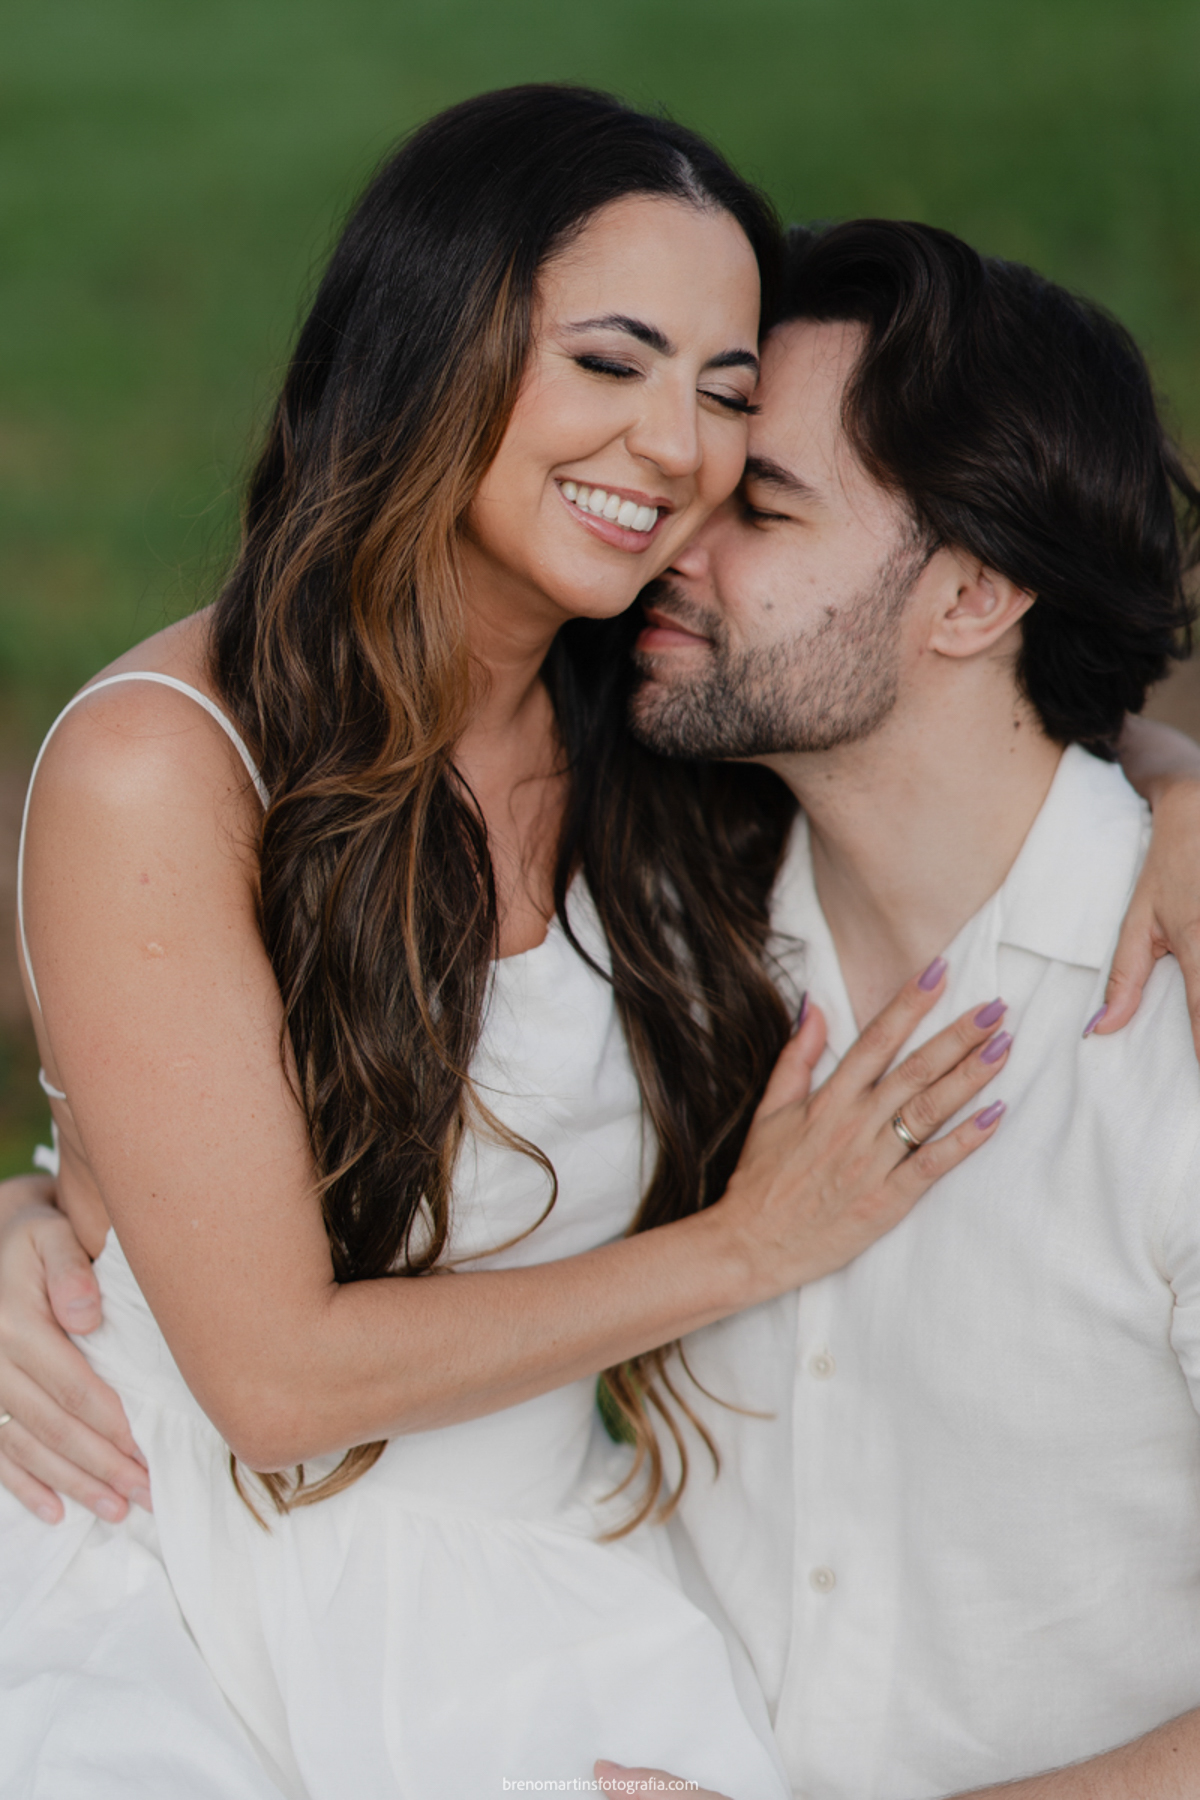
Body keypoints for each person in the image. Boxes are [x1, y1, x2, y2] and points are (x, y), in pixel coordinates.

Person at [0, 94, 1020, 1799]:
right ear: (428, 345)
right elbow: (271, 1381)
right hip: (169, 1567)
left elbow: (987, 723)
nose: (674, 447)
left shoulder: (661, 717)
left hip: (539, 1586)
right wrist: (749, 1247)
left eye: (724, 394)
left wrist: (1176, 794)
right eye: (610, 362)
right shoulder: (166, 768)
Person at [613, 218, 1200, 1798]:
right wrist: (38, 1230)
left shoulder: (1173, 1043)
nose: (670, 539)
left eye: (761, 506)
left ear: (973, 596)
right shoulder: (659, 939)